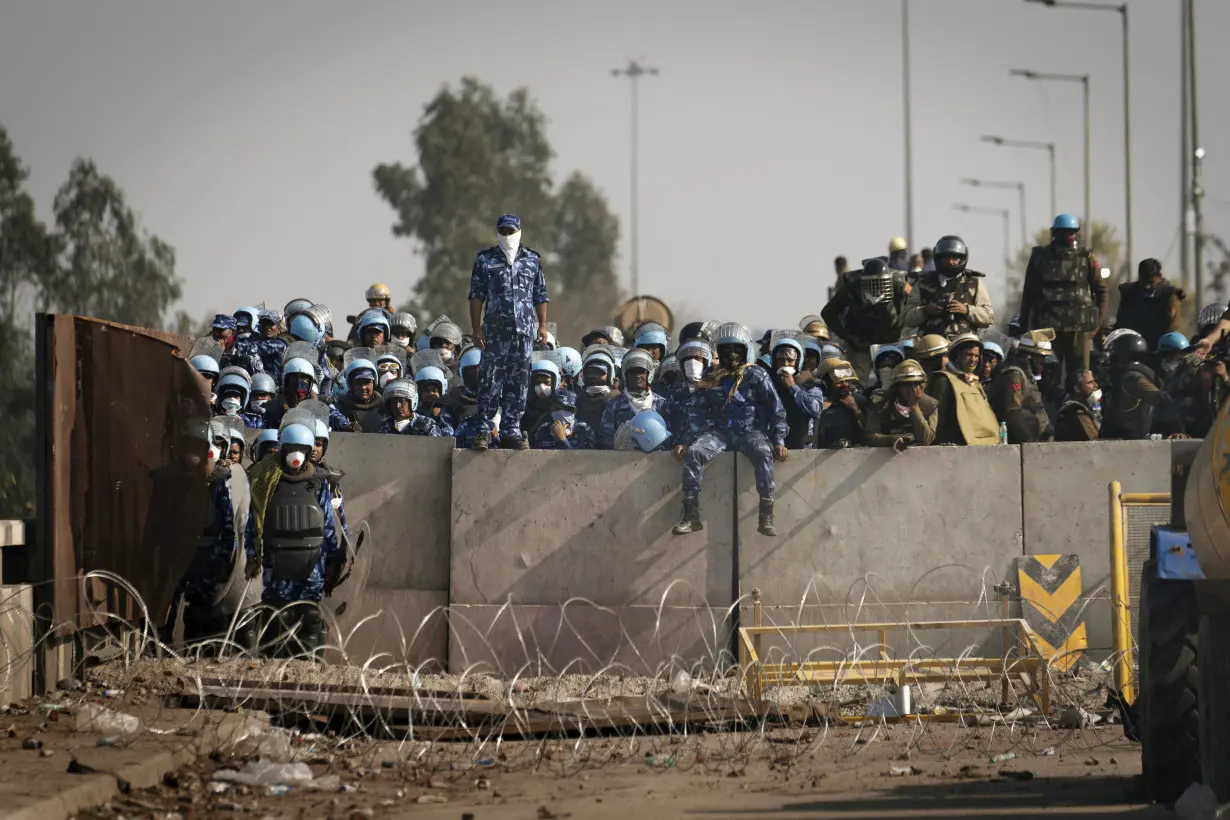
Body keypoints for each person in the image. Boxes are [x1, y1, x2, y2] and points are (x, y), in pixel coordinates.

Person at [245, 414, 350, 658]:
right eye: (291, 449)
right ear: (282, 449)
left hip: (311, 566)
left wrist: (335, 560)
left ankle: (308, 675)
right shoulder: (266, 479)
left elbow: (328, 526)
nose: (297, 455)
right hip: (275, 564)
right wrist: (252, 555)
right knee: (275, 622)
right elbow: (254, 521)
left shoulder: (320, 482)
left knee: (308, 622)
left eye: (302, 449)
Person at [671, 323, 786, 537]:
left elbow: (776, 409)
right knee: (695, 453)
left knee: (763, 452)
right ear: (718, 351)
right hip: (719, 433)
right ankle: (690, 515)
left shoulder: (756, 375)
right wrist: (685, 440)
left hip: (748, 432)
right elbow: (696, 412)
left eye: (736, 349)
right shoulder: (711, 376)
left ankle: (766, 514)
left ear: (745, 350)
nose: (731, 354)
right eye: (726, 349)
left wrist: (779, 440)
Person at [468, 214, 550, 451]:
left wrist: (542, 325)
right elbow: (476, 295)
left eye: (510, 231)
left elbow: (540, 295)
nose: (507, 236)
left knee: (519, 381)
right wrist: (475, 328)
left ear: (519, 232)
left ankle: (511, 429)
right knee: (490, 381)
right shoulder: (485, 259)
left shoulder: (532, 260)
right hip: (494, 332)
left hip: (523, 333)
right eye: (502, 231)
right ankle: (484, 429)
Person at [1018, 214, 1107, 379]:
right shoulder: (1040, 257)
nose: (1066, 236)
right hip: (1047, 329)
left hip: (1079, 328)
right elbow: (1028, 294)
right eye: (1062, 232)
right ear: (1054, 233)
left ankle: (1079, 405)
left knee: (1081, 376)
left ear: (1076, 233)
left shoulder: (1086, 257)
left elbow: (1101, 291)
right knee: (1048, 376)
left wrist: (1098, 324)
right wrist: (1024, 329)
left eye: (1070, 232)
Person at [820, 256, 911, 380]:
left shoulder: (900, 285)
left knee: (896, 379)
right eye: (873, 285)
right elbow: (827, 313)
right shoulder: (852, 287)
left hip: (891, 341)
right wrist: (847, 336)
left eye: (881, 285)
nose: (877, 290)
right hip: (860, 342)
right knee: (857, 381)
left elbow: (916, 306)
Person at [901, 236, 994, 339]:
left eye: (955, 258)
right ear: (938, 258)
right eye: (946, 258)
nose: (950, 262)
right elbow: (906, 318)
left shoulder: (973, 283)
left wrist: (966, 310)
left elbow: (988, 317)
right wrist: (925, 310)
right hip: (929, 346)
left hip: (965, 346)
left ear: (962, 259)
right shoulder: (922, 283)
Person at [926, 333, 999, 446]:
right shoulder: (943, 380)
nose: (973, 359)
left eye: (976, 355)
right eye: (969, 355)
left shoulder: (975, 382)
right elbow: (937, 417)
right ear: (957, 355)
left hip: (982, 444)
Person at [989, 329, 1056, 444]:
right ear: (1029, 357)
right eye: (1041, 360)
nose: (1044, 365)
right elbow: (1013, 416)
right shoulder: (1014, 376)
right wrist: (1030, 443)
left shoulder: (1028, 377)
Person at [600, 350, 667, 449]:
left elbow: (669, 438)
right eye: (633, 372)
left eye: (642, 371)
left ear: (649, 374)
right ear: (625, 375)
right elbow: (606, 438)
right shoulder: (614, 405)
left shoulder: (662, 404)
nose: (637, 376)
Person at [864, 359, 937, 448]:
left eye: (917, 383)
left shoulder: (930, 405)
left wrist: (914, 406)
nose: (913, 389)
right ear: (897, 386)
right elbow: (870, 436)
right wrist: (891, 440)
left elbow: (927, 439)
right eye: (907, 384)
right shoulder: (881, 403)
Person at [1114, 259, 1184, 351]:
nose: (1146, 286)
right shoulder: (1129, 293)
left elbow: (1171, 330)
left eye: (1151, 282)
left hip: (1159, 350)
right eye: (1143, 281)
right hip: (1131, 348)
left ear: (1160, 278)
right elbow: (1121, 322)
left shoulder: (1169, 296)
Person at [769, 336, 824, 449]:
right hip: (774, 449)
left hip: (802, 449)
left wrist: (792, 387)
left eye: (790, 360)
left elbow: (816, 409)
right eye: (781, 360)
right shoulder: (767, 385)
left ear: (798, 362)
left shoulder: (810, 385)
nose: (785, 364)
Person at [816, 358, 869, 449]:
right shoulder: (816, 403)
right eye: (839, 382)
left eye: (847, 381)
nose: (845, 385)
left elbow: (871, 432)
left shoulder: (859, 400)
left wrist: (855, 409)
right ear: (826, 382)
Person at [334, 348, 387, 432]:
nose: (363, 387)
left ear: (374, 383)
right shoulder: (339, 409)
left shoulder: (386, 408)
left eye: (367, 382)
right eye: (358, 383)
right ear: (350, 384)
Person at [377, 378, 450, 435]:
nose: (397, 406)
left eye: (402, 401)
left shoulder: (428, 425)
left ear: (412, 401)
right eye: (393, 402)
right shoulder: (385, 426)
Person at [1055, 369, 1102, 442]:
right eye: (1090, 383)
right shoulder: (1076, 411)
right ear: (1077, 388)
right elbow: (1095, 439)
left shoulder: (1084, 408)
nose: (1096, 385)